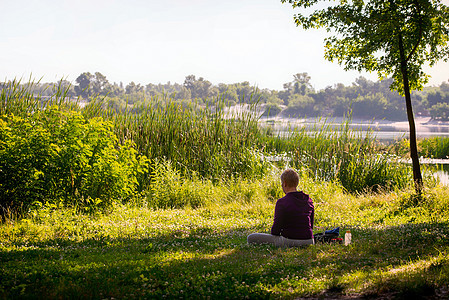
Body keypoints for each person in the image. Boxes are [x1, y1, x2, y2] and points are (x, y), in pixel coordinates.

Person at [247, 168, 314, 247]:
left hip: (289, 240)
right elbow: (311, 225)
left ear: (284, 183)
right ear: (296, 183)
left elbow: (275, 231)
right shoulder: (308, 199)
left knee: (251, 237)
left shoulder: (282, 202)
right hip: (309, 240)